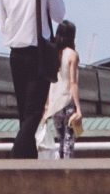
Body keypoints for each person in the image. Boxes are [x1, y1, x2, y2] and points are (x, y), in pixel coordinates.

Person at [0, 0, 67, 159]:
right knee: (34, 113)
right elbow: (59, 14)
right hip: (38, 54)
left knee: (24, 113)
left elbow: (3, 26)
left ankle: (26, 163)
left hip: (15, 54)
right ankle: (16, 156)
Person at [43, 19, 83, 160]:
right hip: (67, 102)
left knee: (60, 140)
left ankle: (59, 170)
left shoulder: (53, 53)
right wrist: (78, 107)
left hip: (55, 103)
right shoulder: (72, 54)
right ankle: (67, 172)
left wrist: (47, 106)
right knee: (69, 141)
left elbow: (49, 81)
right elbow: (73, 83)